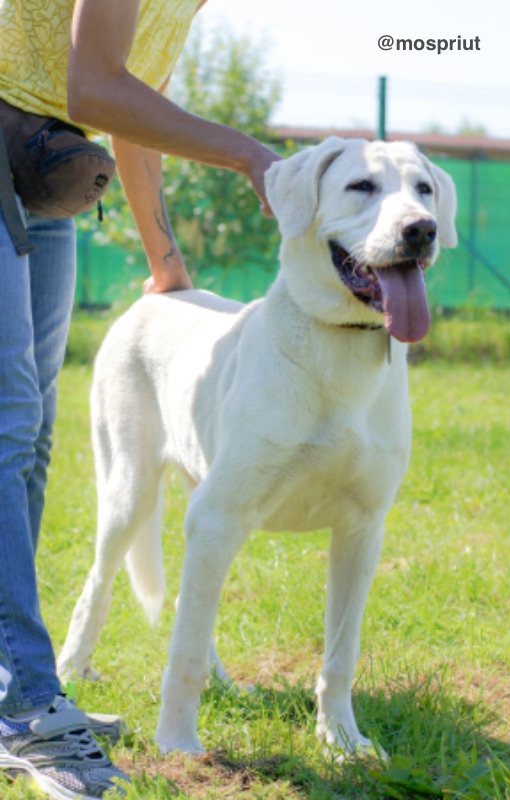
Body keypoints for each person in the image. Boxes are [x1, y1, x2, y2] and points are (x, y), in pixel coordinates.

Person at [0, 1, 280, 797]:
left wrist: (167, 262)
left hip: (40, 164)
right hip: (21, 133)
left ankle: (11, 689)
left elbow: (129, 110)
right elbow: (95, 91)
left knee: (34, 427)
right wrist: (246, 153)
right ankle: (25, 702)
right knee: (7, 419)